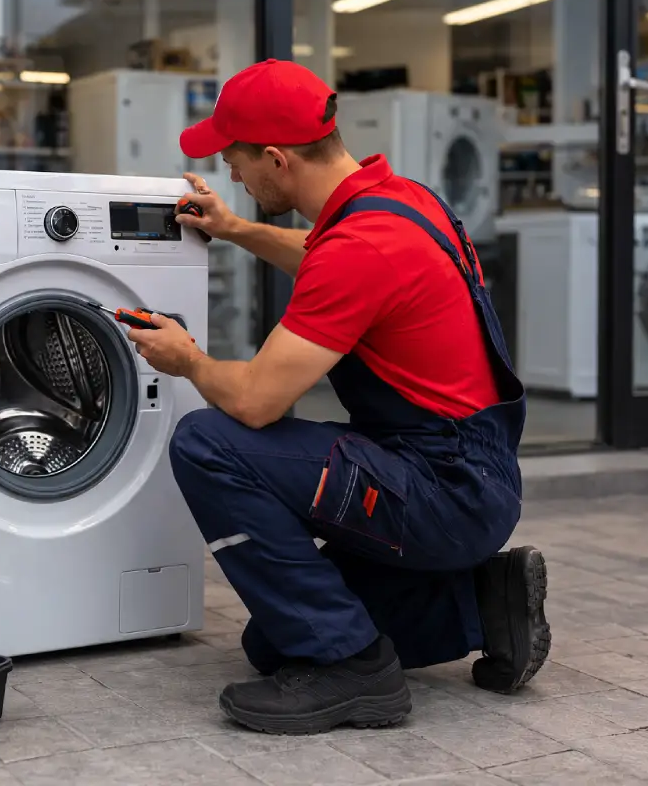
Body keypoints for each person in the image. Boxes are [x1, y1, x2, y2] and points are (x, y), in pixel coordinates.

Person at [125, 59, 550, 736]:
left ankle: (355, 671)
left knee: (209, 441)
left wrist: (188, 360)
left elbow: (259, 401)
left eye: (235, 157)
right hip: (465, 474)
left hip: (444, 487)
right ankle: (481, 603)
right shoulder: (399, 201)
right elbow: (319, 251)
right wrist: (234, 228)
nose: (231, 171)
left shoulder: (360, 246)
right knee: (273, 645)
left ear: (276, 159)